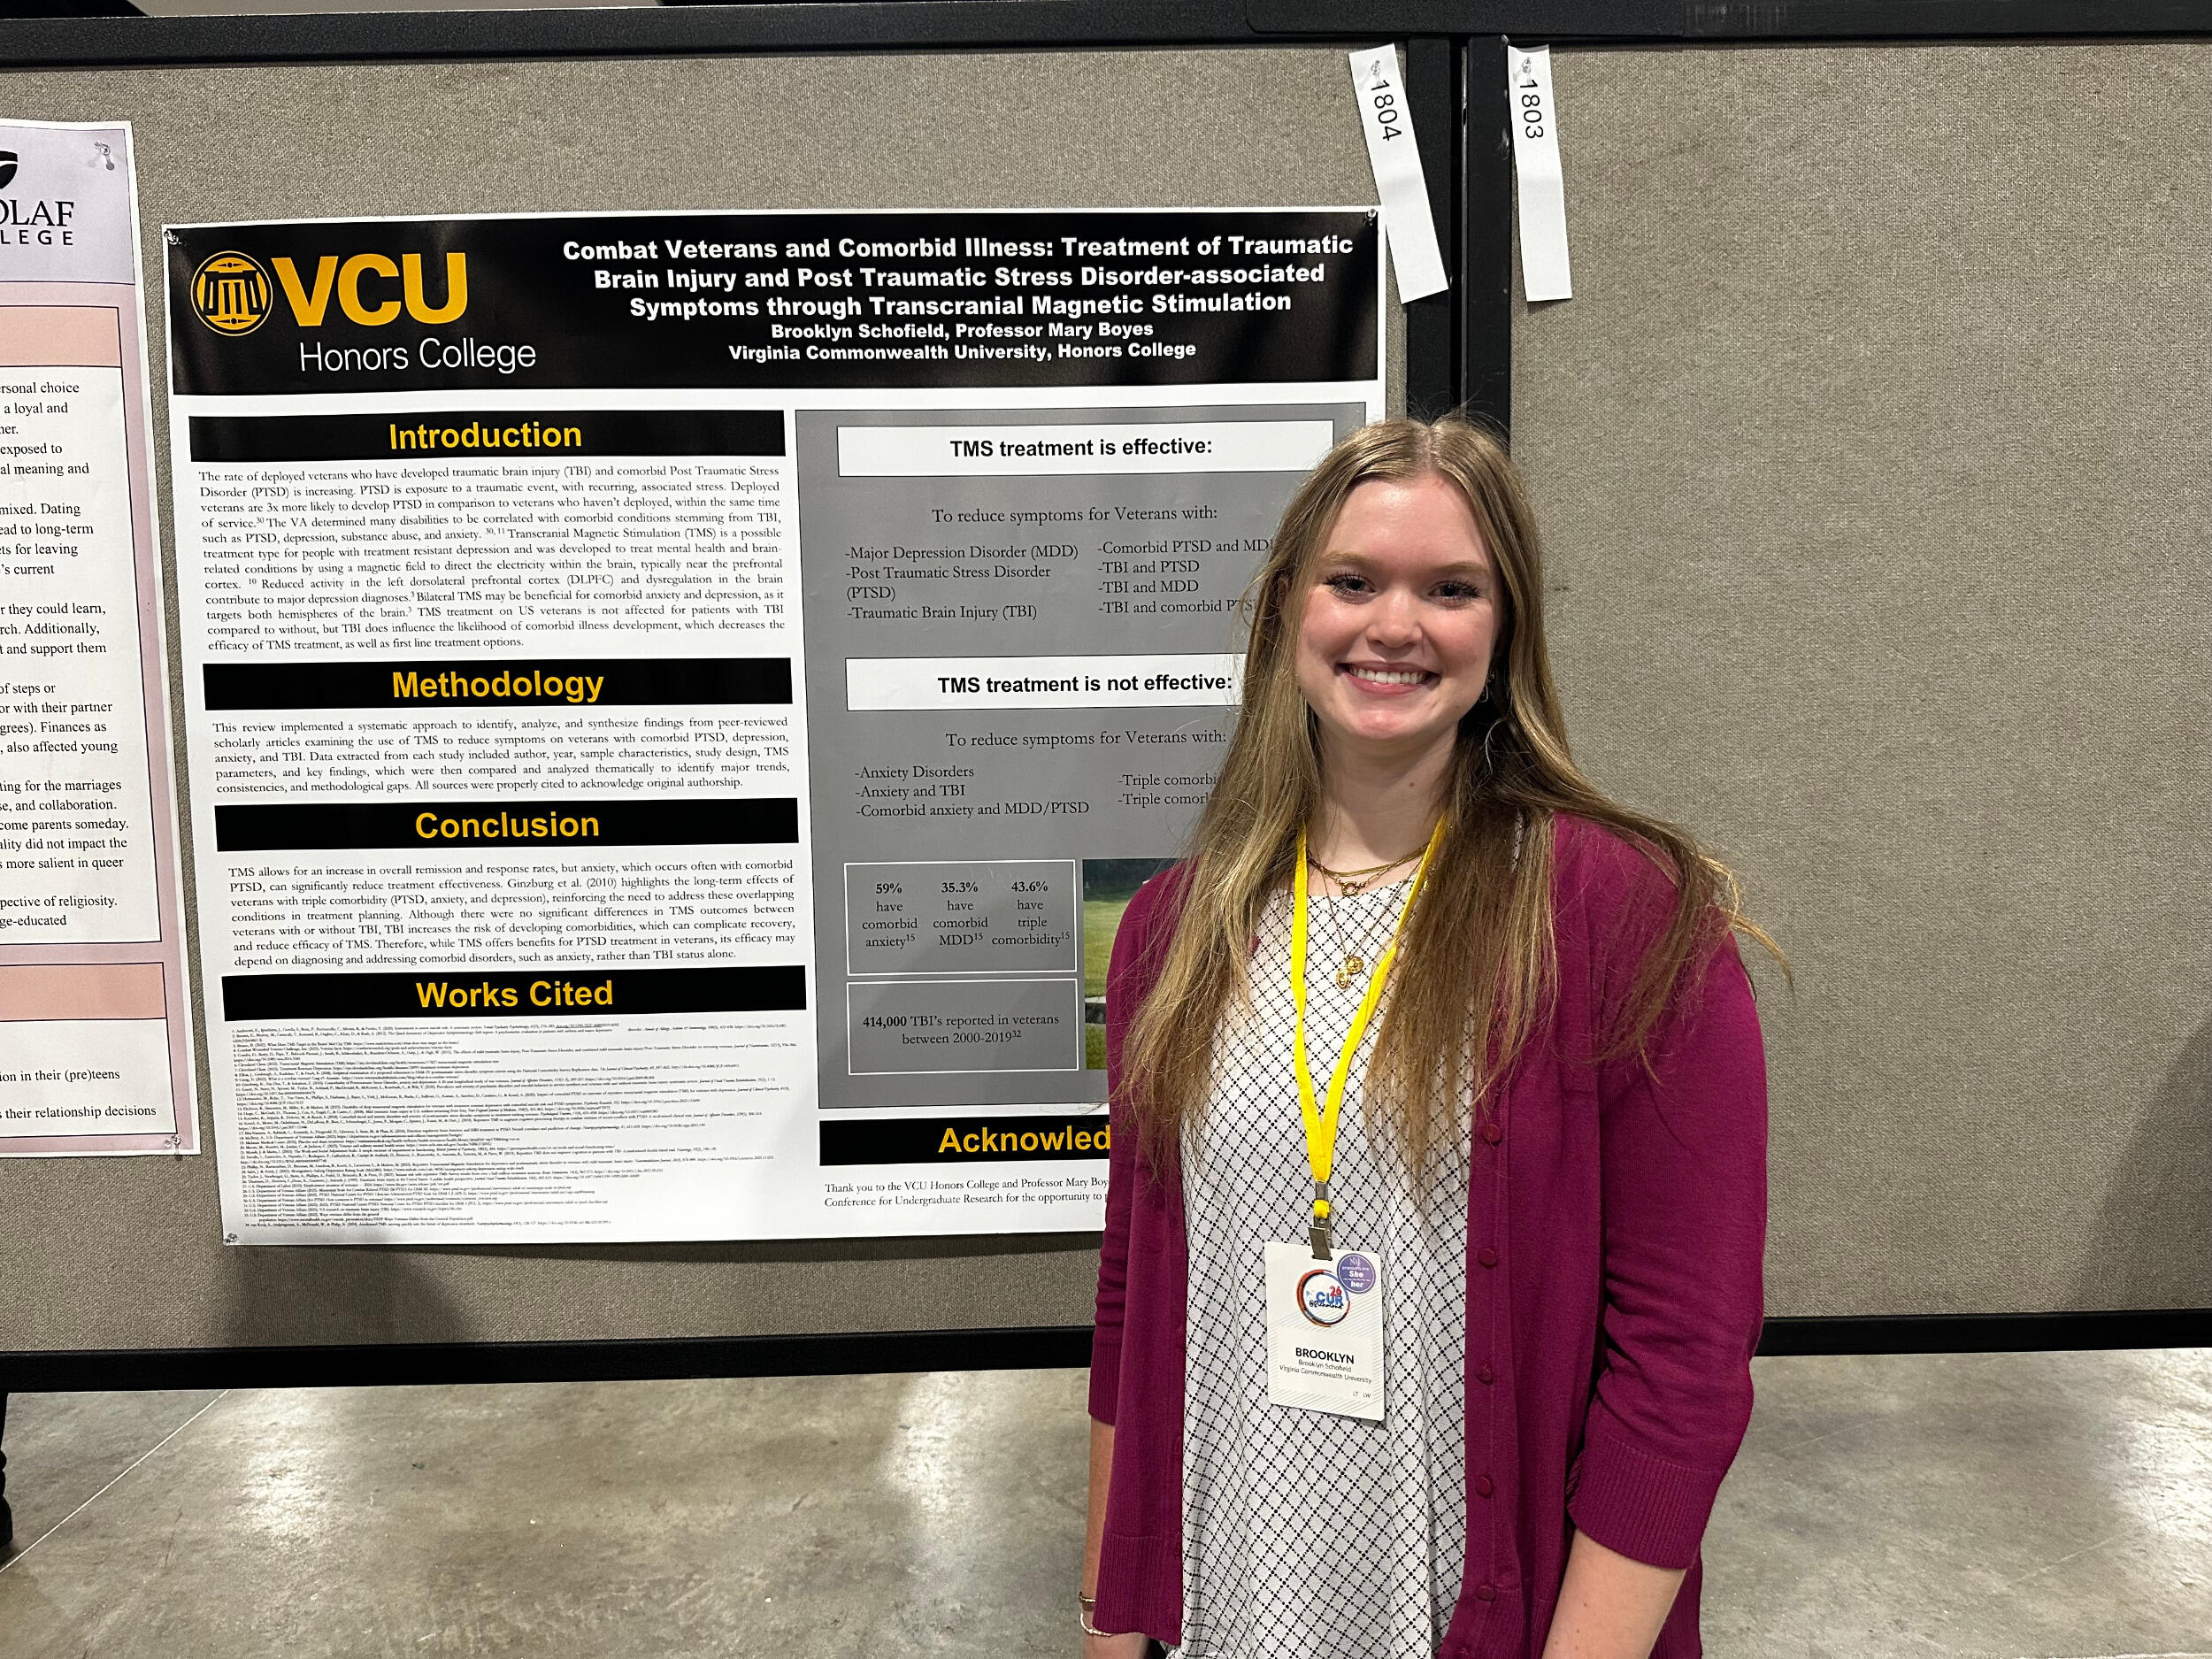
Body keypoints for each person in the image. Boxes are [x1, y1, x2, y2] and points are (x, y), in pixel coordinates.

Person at [1080, 416, 1777, 1659]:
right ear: (1286, 609)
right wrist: (1108, 1612)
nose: (1394, 625)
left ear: (1504, 629)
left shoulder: (1627, 917)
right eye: (1353, 581)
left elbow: (1684, 1361)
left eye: (1451, 590)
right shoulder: (1172, 932)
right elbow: (1135, 1298)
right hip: (1231, 1610)